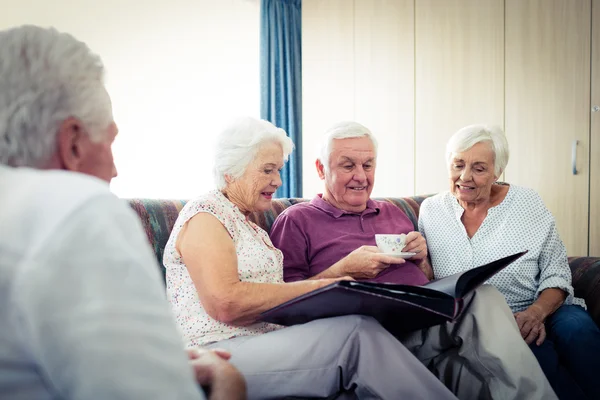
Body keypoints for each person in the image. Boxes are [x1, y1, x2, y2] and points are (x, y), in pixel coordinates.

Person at [0, 25, 245, 400]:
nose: (115, 170)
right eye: (110, 141)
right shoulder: (77, 210)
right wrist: (229, 382)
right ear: (74, 143)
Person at [163, 116, 458, 400]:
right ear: (231, 171)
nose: (278, 180)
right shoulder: (206, 214)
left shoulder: (250, 226)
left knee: (359, 327)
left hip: (266, 341)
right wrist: (328, 285)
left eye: (278, 170)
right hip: (217, 353)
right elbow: (226, 303)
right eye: (267, 170)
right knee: (356, 334)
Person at [269, 121, 557, 400]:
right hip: (369, 336)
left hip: (425, 324)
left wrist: (421, 262)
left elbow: (425, 278)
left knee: (483, 295)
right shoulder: (297, 220)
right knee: (466, 370)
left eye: (368, 165)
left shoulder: (392, 212)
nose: (361, 176)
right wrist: (342, 271)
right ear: (321, 168)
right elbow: (284, 304)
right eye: (348, 165)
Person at [418, 124, 600, 400]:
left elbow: (557, 270)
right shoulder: (431, 212)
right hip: (483, 324)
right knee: (535, 357)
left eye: (478, 169)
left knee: (579, 331)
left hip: (540, 306)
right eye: (458, 165)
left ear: (497, 172)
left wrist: (536, 313)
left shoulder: (527, 203)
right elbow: (429, 278)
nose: (465, 177)